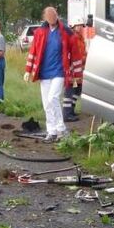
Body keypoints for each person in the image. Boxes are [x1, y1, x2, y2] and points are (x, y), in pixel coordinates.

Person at [24, 7, 82, 142]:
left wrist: (77, 75)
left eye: (54, 14)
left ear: (57, 16)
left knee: (53, 98)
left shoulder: (66, 32)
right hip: (44, 72)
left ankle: (61, 129)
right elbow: (34, 51)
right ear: (44, 17)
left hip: (59, 71)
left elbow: (75, 54)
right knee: (46, 103)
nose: (51, 17)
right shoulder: (39, 33)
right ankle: (52, 131)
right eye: (49, 15)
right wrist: (28, 70)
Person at [63, 16, 87, 122]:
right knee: (70, 91)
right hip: (73, 70)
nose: (81, 28)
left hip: (79, 69)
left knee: (77, 90)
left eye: (82, 26)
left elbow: (83, 53)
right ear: (73, 26)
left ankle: (71, 110)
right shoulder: (73, 38)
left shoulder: (81, 38)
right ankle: (67, 114)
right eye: (79, 26)